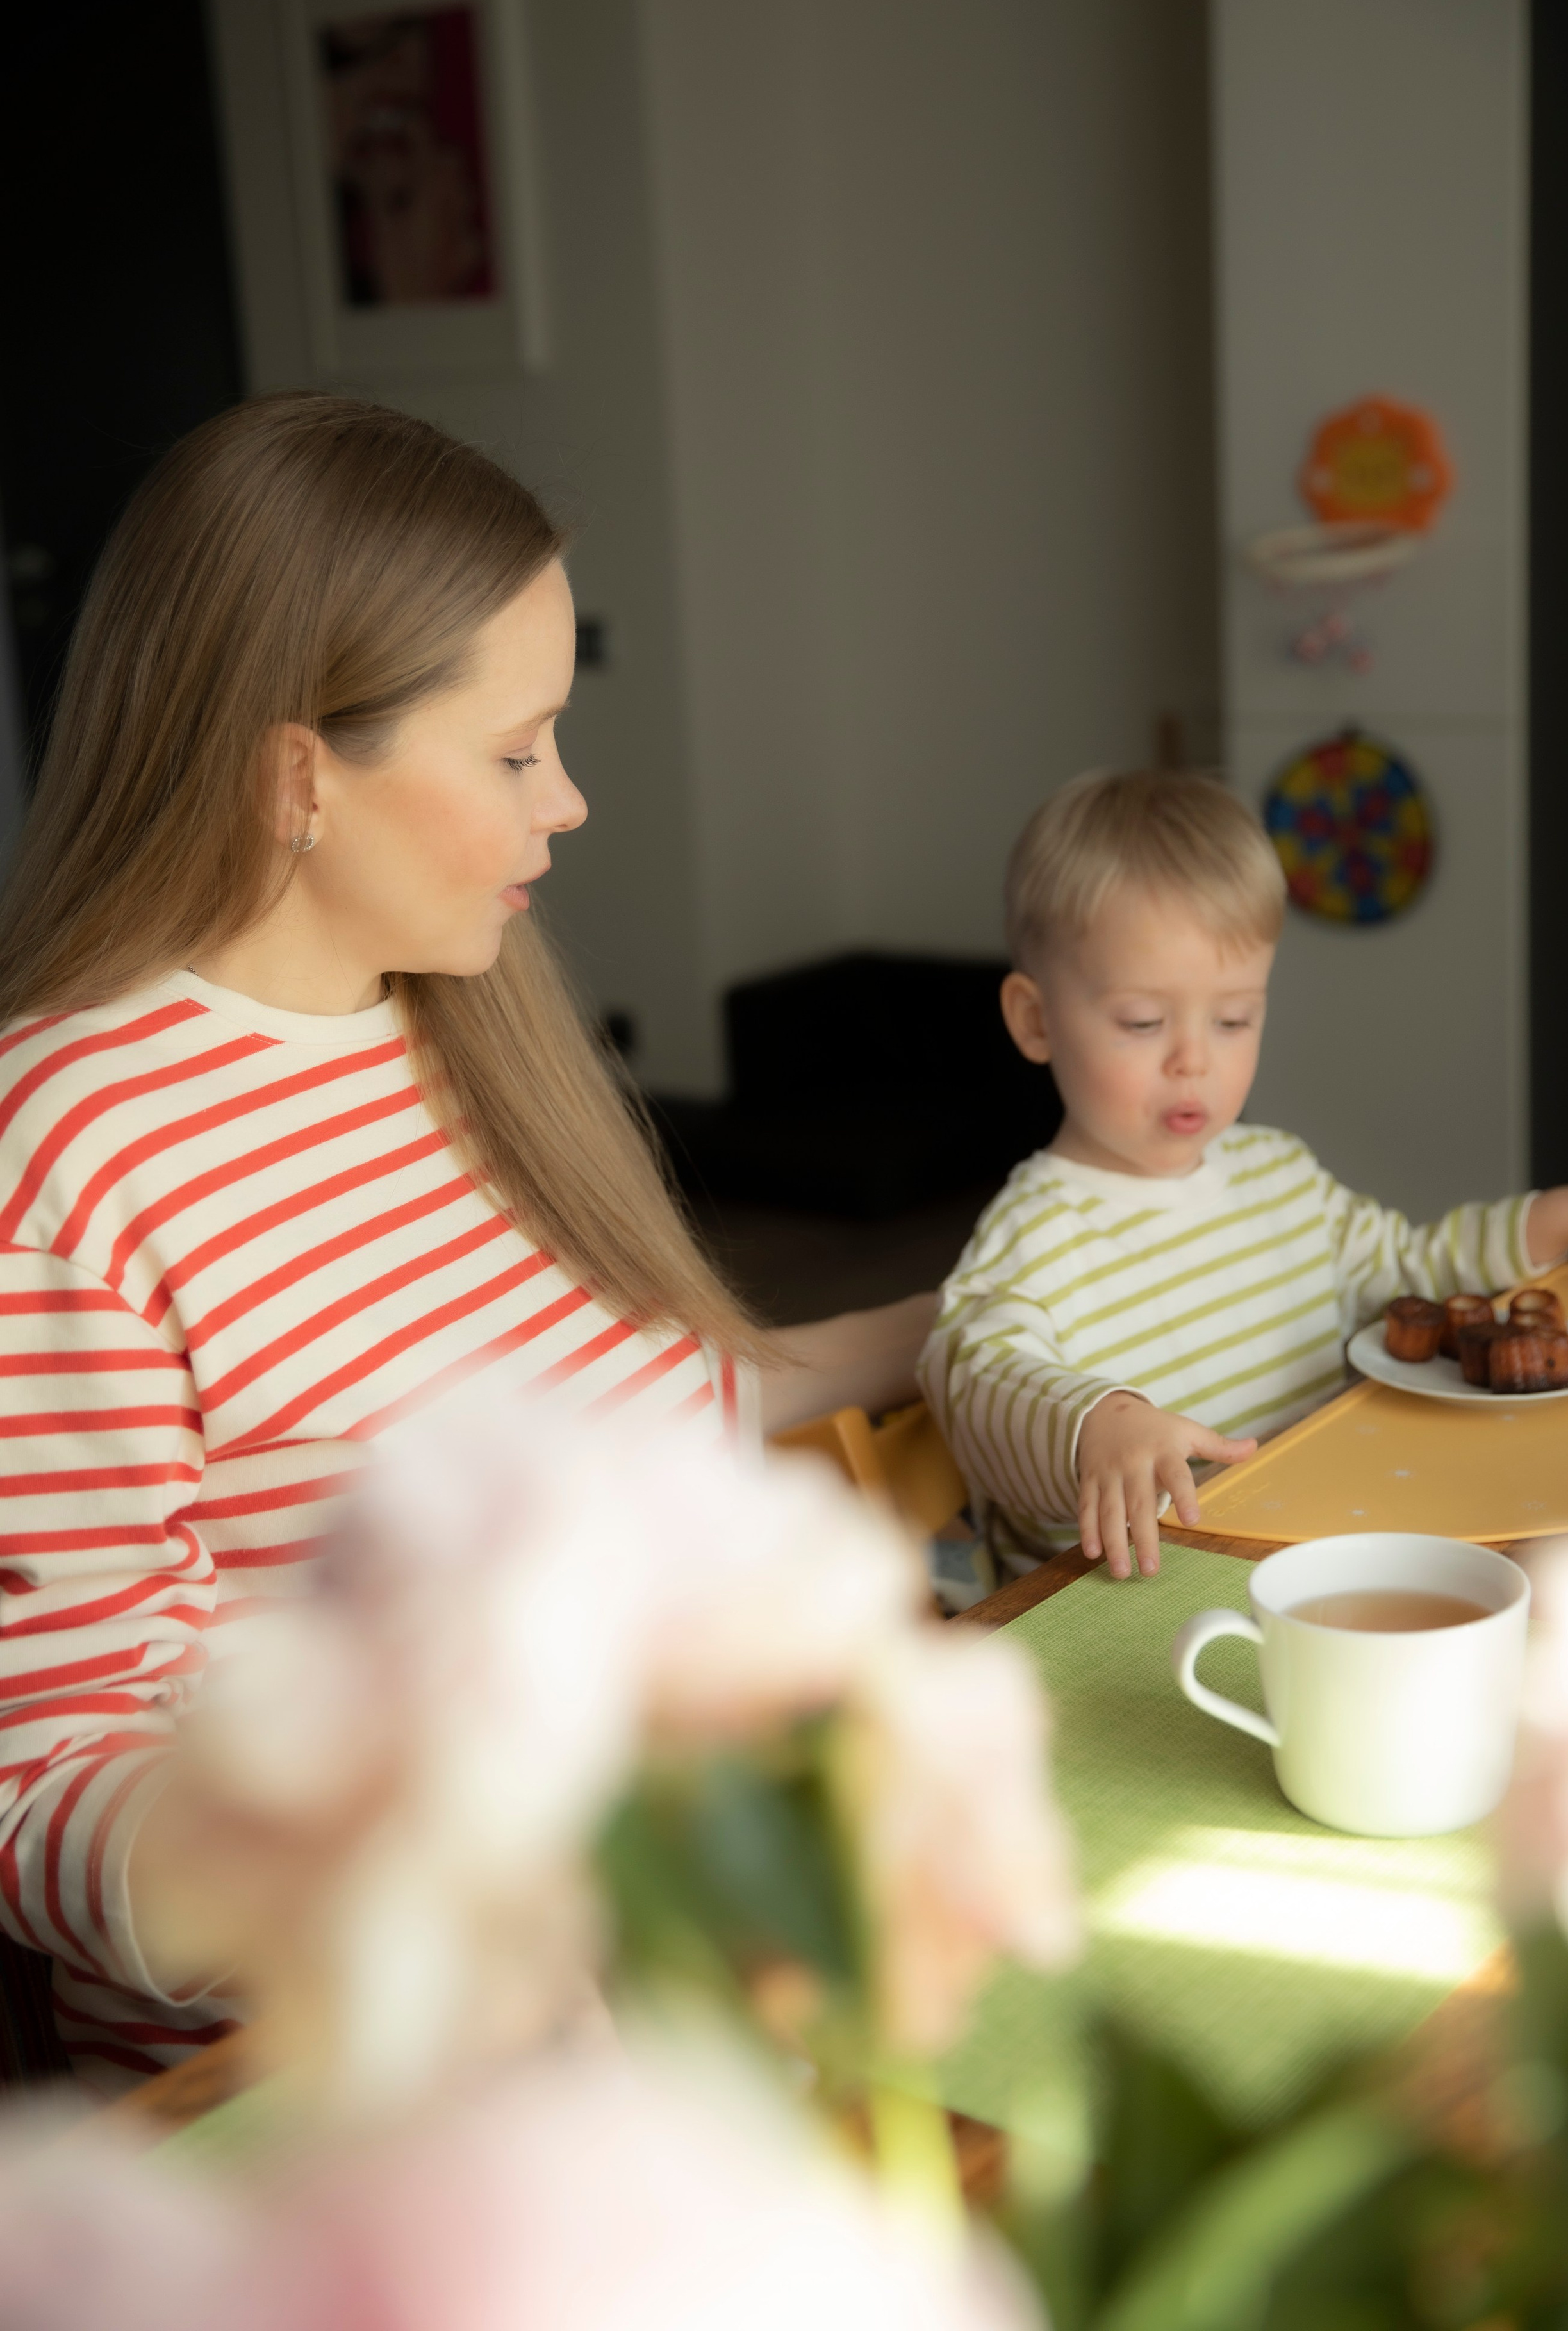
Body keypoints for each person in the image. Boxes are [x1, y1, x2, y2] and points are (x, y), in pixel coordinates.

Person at [0, 393, 932, 2090]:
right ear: (299, 776)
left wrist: (962, 1327)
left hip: (669, 1960)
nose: (565, 804)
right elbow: (49, 1776)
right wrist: (411, 1878)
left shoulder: (452, 1013)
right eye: (516, 753)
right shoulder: (69, 1151)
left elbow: (627, 1412)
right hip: (347, 2086)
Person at [919, 770, 1568, 1583]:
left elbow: (1409, 1274)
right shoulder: (1033, 1233)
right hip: (1145, 1598)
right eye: (1143, 1021)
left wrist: (1558, 1215)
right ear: (1035, 1020)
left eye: (1233, 1018)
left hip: (1323, 1544)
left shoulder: (1279, 1176)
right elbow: (977, 1380)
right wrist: (1097, 1427)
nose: (1194, 1058)